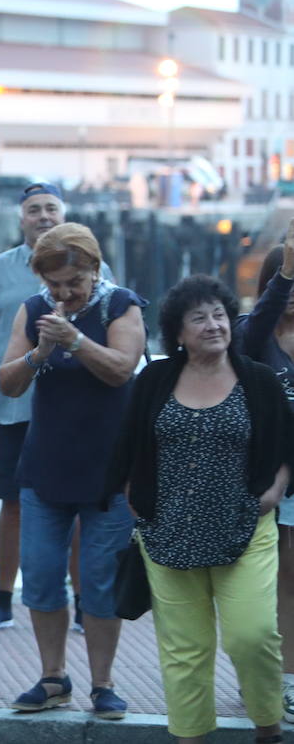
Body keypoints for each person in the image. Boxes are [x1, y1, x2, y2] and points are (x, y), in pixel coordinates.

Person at [108, 275, 291, 744]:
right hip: (168, 533)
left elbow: (287, 443)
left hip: (245, 528)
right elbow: (130, 441)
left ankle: (268, 728)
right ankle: (191, 737)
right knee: (184, 651)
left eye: (219, 315)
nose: (213, 325)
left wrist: (275, 489)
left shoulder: (258, 380)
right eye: (199, 318)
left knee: (252, 636)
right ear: (178, 332)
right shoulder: (155, 380)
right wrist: (132, 494)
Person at [0, 222, 143, 720]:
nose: (63, 294)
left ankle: (104, 683)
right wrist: (39, 353)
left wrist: (75, 341)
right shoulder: (34, 310)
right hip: (46, 467)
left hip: (109, 472)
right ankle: (53, 676)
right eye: (53, 283)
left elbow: (122, 368)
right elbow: (8, 383)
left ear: (94, 269)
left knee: (100, 582)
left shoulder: (120, 305)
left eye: (73, 283)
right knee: (39, 576)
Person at [0, 182, 106, 632]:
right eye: (34, 209)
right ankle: (2, 599)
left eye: (51, 208)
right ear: (21, 218)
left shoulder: (96, 271)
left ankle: (82, 600)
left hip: (77, 410)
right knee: (13, 502)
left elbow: (113, 335)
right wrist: (16, 366)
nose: (43, 216)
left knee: (80, 502)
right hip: (15, 408)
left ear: (63, 214)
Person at [235, 218, 294, 723]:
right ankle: (269, 677)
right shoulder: (249, 335)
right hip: (265, 483)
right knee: (270, 585)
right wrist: (286, 273)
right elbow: (257, 326)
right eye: (285, 280)